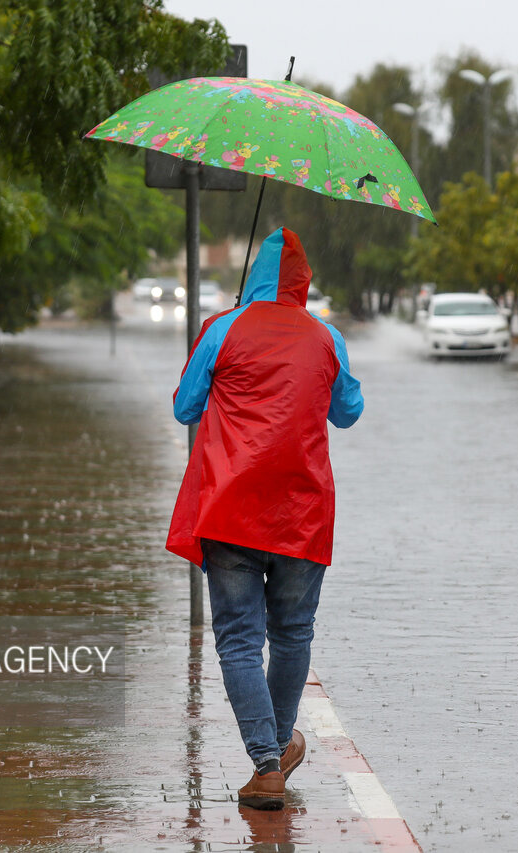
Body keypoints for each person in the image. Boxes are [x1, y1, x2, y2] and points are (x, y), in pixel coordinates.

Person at [166, 226, 364, 810]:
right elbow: (348, 413)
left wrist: (225, 339)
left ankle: (266, 763)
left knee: (238, 641)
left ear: (252, 277)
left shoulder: (223, 330)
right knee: (293, 634)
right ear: (304, 283)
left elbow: (185, 407)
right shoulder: (327, 338)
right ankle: (274, 752)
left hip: (231, 511)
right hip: (302, 514)